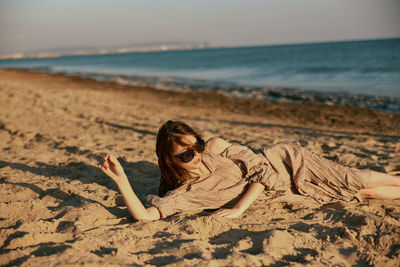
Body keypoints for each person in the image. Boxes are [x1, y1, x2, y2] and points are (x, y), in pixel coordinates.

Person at [98, 120, 400, 221]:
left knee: (354, 178)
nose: (198, 154)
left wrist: (240, 208)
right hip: (290, 192)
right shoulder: (184, 194)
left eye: (197, 145)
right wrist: (122, 180)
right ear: (170, 161)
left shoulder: (214, 147)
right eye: (187, 154)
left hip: (288, 163)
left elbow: (262, 170)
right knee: (362, 195)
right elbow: (145, 217)